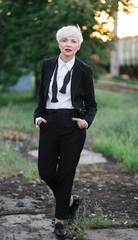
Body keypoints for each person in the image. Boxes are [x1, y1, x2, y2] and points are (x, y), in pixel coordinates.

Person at [34, 25, 97, 238]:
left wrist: (85, 122)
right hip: (49, 122)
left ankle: (60, 220)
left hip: (73, 125)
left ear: (78, 45)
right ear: (58, 43)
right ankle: (69, 199)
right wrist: (38, 117)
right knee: (45, 171)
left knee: (66, 173)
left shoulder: (84, 70)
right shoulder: (47, 65)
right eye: (64, 41)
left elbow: (92, 104)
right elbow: (42, 97)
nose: (68, 45)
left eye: (72, 41)